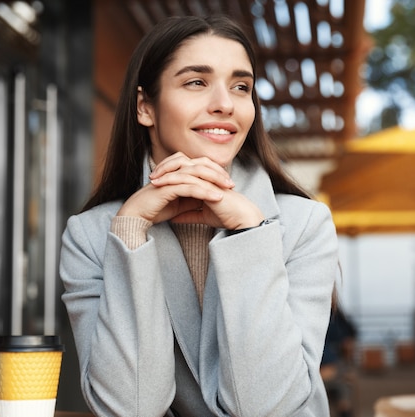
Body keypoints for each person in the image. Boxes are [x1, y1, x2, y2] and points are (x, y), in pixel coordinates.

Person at [59, 15, 339, 416]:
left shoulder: (304, 225)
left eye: (241, 87)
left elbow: (267, 406)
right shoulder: (91, 235)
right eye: (196, 82)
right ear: (145, 107)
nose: (225, 104)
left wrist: (250, 234)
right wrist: (131, 230)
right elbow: (130, 407)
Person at [320, 299, 357, 417]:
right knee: (344, 382)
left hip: (326, 366)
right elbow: (349, 336)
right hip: (328, 367)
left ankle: (343, 406)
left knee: (343, 382)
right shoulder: (333, 317)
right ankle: (344, 407)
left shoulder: (332, 316)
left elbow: (349, 336)